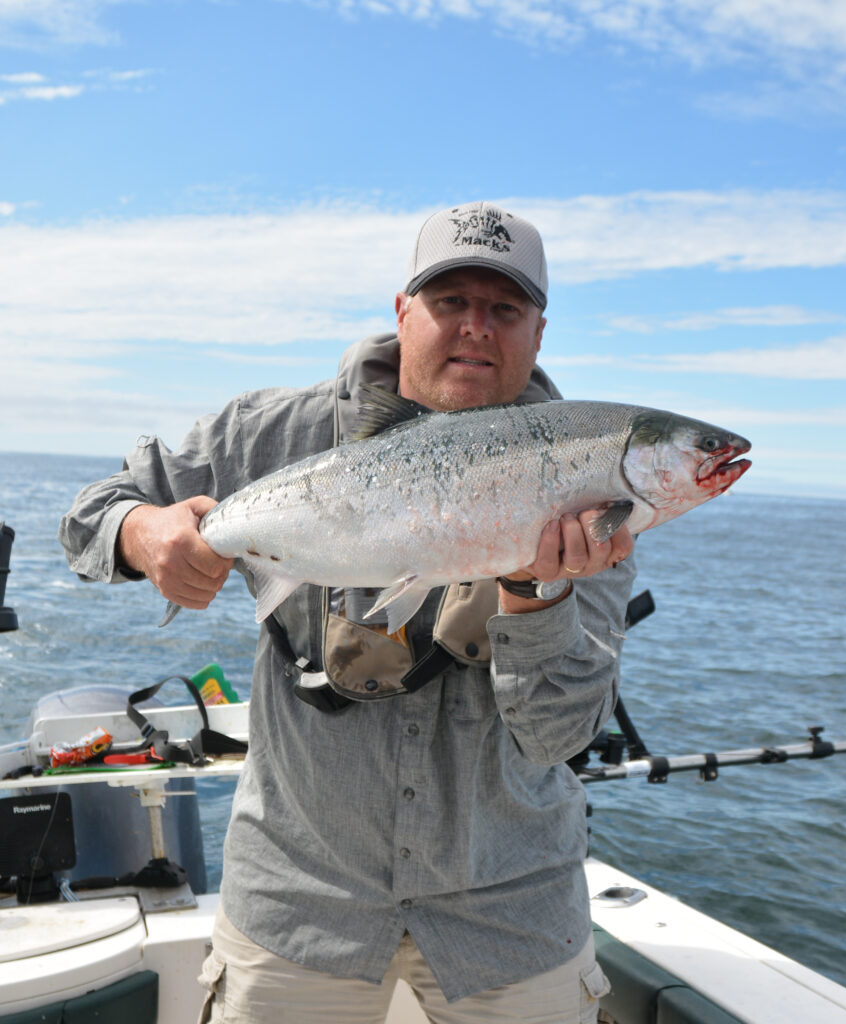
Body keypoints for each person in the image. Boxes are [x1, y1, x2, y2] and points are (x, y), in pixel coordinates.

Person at [59, 200, 636, 1023]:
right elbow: (87, 515)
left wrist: (534, 592)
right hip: (298, 912)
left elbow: (557, 737)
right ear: (403, 314)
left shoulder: (586, 489)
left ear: (538, 332)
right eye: (450, 302)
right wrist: (143, 532)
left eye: (504, 308)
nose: (476, 327)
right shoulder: (269, 434)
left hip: (511, 920)